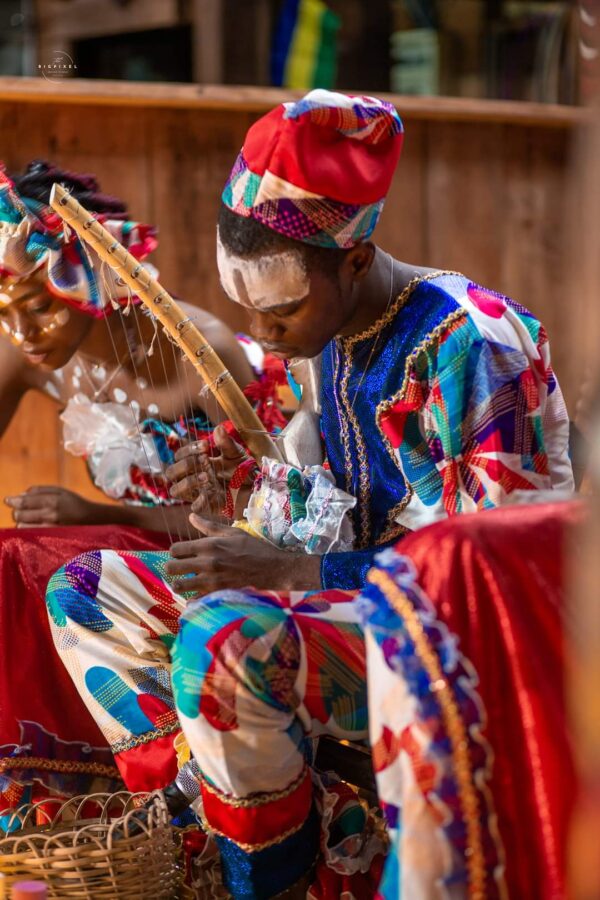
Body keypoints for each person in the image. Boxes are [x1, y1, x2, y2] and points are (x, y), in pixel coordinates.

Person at [46, 91, 574, 898]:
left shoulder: (475, 342)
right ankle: (219, 831)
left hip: (448, 643)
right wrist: (247, 494)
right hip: (352, 600)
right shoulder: (323, 338)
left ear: (355, 261)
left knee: (227, 644)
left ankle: (268, 878)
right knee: (88, 593)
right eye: (246, 312)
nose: (263, 337)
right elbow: (332, 506)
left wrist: (293, 575)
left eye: (281, 311)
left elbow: (487, 581)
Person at [0, 161, 272, 822]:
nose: (23, 334)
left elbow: (268, 517)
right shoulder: (30, 354)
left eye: (38, 308)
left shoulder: (197, 353)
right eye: (5, 315)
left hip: (217, 559)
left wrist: (98, 512)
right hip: (122, 545)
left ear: (90, 280)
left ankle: (96, 791)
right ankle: (39, 795)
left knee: (22, 562)